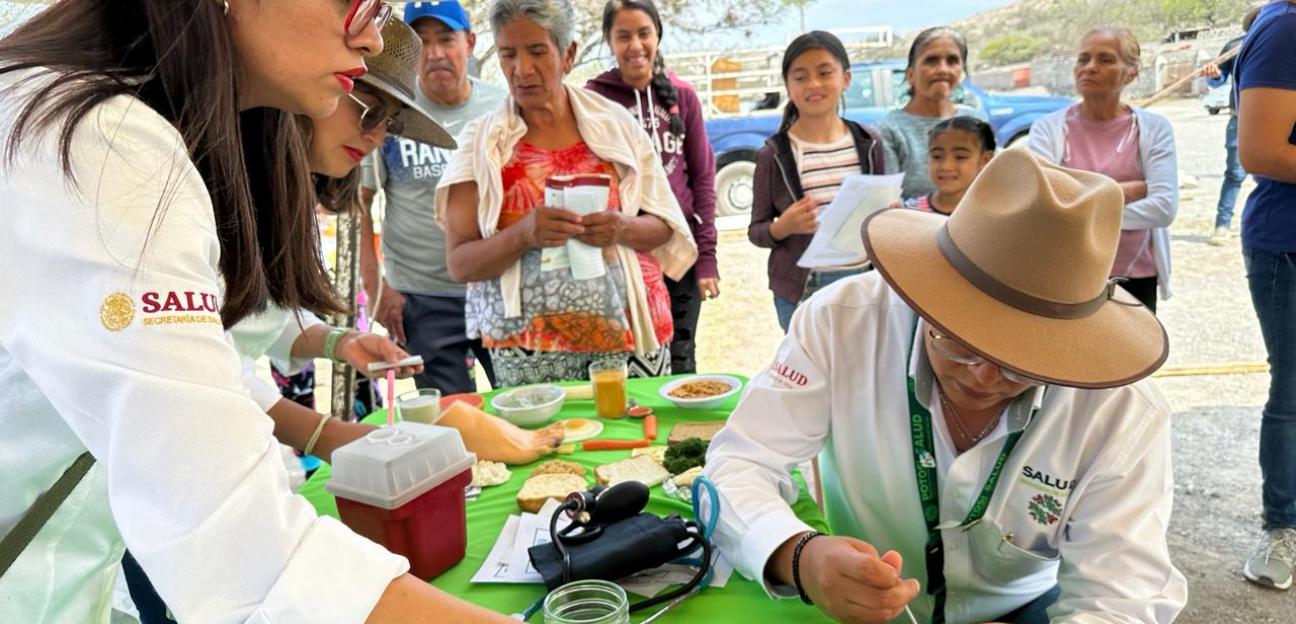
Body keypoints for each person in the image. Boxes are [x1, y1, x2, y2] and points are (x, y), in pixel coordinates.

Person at [0, 1, 514, 621]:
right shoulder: (97, 144)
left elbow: (200, 366)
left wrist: (332, 364)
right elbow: (246, 557)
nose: (373, 39)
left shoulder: (138, 131)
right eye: (359, 2)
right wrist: (328, 432)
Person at [705, 149, 1187, 624]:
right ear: (926, 295)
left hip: (1027, 606)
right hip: (863, 604)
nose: (983, 376)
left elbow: (1124, 598)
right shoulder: (841, 324)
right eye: (959, 341)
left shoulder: (1120, 408)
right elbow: (742, 461)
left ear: (1072, 346)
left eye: (1022, 364)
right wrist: (797, 554)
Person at [437, 0, 697, 387]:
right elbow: (460, 264)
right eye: (508, 54)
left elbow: (664, 226)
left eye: (537, 51)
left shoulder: (615, 125)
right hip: (530, 350)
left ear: (569, 54)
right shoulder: (481, 144)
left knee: (637, 429)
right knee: (547, 431)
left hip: (631, 339)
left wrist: (621, 228)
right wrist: (525, 234)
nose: (522, 69)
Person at [360, 0, 507, 396]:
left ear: (470, 43)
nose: (436, 53)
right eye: (422, 42)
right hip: (420, 298)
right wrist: (376, 289)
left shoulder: (502, 108)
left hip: (496, 288)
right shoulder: (392, 111)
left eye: (446, 39)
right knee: (450, 414)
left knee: (516, 404)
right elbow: (360, 203)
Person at [586, 0, 719, 375]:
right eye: (623, 36)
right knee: (630, 362)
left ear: (657, 35)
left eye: (644, 33)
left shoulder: (683, 96)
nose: (635, 45)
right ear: (609, 40)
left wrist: (707, 258)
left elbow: (703, 179)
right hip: (625, 253)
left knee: (682, 359)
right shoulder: (595, 100)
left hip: (679, 252)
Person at [1028, 27, 1177, 314]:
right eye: (1083, 59)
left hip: (1134, 276)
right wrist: (1123, 191)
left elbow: (1163, 208)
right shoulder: (1048, 129)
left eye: (1105, 59)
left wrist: (1077, 205)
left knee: (1135, 345)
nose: (1090, 67)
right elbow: (1044, 205)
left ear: (1131, 73)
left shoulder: (1154, 129)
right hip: (1067, 274)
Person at [747, 31, 886, 333]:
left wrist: (887, 213)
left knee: (864, 362)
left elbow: (880, 216)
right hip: (803, 289)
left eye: (824, 73)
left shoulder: (869, 142)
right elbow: (756, 231)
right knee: (809, 364)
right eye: (800, 77)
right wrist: (783, 227)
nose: (813, 84)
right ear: (788, 85)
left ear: (846, 78)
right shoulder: (774, 154)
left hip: (865, 281)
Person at [1234, 0, 1296, 592]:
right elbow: (1260, 150)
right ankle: (1283, 525)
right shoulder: (1286, 29)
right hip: (1288, 243)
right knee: (1294, 390)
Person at [876, 26, 987, 201]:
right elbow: (889, 202)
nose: (943, 69)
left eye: (952, 61)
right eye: (931, 61)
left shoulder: (976, 120)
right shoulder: (889, 130)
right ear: (910, 74)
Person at [1201, 5, 1263, 246]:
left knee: (1280, 177)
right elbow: (1217, 80)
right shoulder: (1236, 46)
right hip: (1241, 119)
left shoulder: (1285, 41)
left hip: (1283, 121)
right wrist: (1213, 74)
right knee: (1235, 174)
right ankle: (1223, 225)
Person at [905, 116, 995, 215]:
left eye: (960, 157)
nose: (946, 166)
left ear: (985, 159)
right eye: (937, 156)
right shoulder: (910, 211)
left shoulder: (992, 214)